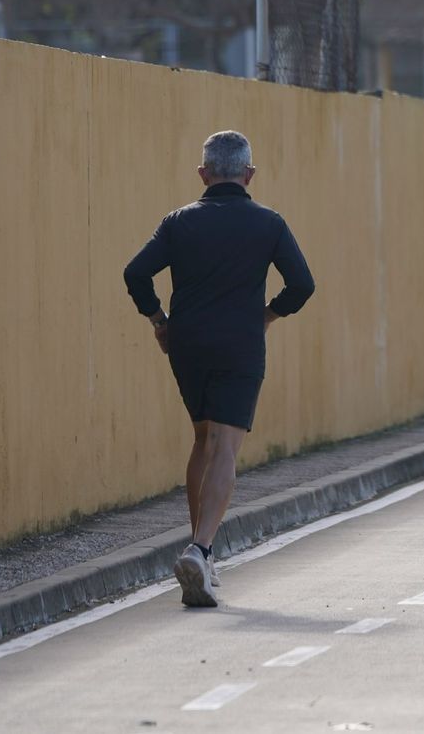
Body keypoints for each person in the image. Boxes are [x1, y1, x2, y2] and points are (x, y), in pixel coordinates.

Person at [123, 130, 315, 608]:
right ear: (249, 175)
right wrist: (267, 315)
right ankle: (202, 548)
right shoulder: (268, 223)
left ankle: (201, 556)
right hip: (239, 345)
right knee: (226, 445)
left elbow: (135, 272)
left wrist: (158, 321)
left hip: (187, 345)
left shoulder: (178, 222)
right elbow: (303, 284)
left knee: (202, 438)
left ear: (204, 174)